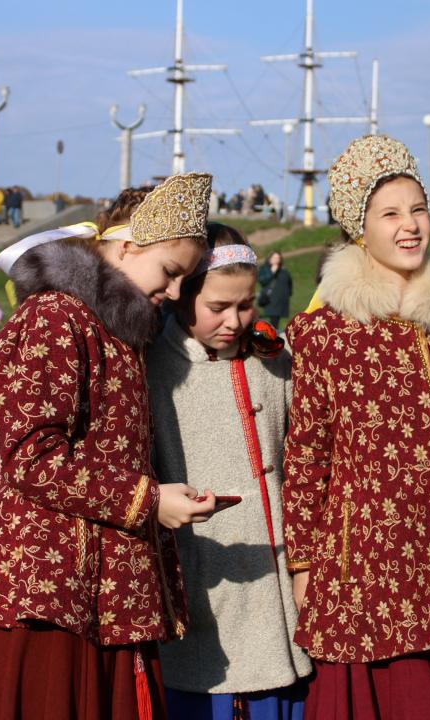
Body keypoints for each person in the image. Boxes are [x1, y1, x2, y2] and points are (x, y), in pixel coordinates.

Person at [0, 174, 218, 720]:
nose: (176, 293)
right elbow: (30, 456)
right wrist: (148, 501)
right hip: (44, 580)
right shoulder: (54, 317)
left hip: (99, 578)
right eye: (170, 272)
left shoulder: (119, 328)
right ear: (128, 246)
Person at [285, 135, 430, 718]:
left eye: (418, 209)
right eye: (390, 214)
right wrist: (304, 565)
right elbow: (307, 456)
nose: (411, 225)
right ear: (359, 229)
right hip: (359, 566)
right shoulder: (323, 336)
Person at [147, 223, 312, 719]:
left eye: (246, 305)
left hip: (277, 575)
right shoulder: (153, 367)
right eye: (218, 307)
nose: (235, 321)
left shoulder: (278, 360)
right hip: (201, 577)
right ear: (182, 296)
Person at [257, 251, 293, 329]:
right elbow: (262, 280)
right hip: (270, 299)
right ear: (269, 258)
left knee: (276, 321)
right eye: (274, 257)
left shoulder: (283, 270)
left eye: (278, 258)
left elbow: (289, 282)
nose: (276, 259)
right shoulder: (265, 268)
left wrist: (288, 293)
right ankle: (270, 333)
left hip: (281, 300)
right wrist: (272, 272)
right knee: (272, 320)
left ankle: (273, 333)